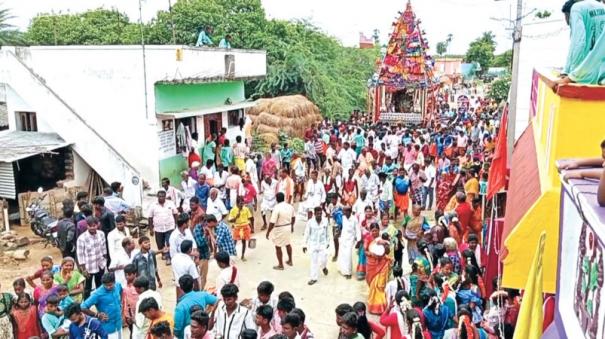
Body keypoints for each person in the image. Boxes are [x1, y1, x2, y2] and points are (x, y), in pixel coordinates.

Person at [174, 275, 218, 339]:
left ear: (181, 288)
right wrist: (209, 311)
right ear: (193, 285)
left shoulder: (180, 306)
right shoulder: (203, 295)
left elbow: (177, 329)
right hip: (202, 332)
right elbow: (217, 301)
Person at [81, 272, 123, 338]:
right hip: (107, 328)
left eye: (110, 285)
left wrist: (120, 303)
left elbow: (121, 290)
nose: (108, 287)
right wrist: (97, 315)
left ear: (114, 282)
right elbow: (82, 307)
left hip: (119, 325)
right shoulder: (97, 294)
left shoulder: (117, 285)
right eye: (105, 285)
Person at [77, 216, 107, 299]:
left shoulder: (101, 234)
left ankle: (100, 303)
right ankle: (86, 306)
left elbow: (104, 248)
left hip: (100, 264)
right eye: (90, 226)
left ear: (97, 225)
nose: (93, 227)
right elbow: (80, 255)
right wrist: (83, 269)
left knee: (100, 286)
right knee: (87, 288)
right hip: (88, 267)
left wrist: (105, 260)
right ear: (87, 226)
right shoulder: (82, 238)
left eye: (94, 225)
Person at [365, 223, 391, 315]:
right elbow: (365, 250)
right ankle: (373, 305)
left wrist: (385, 243)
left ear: (379, 231)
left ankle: (380, 306)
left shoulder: (382, 239)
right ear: (370, 231)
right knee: (372, 283)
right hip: (371, 264)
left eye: (376, 230)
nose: (375, 232)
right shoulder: (368, 238)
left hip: (382, 263)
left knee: (380, 285)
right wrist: (372, 254)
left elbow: (387, 251)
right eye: (373, 231)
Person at [266, 192, 296, 270]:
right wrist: (292, 226)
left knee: (278, 246)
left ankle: (280, 265)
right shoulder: (290, 206)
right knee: (288, 244)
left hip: (280, 228)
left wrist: (268, 232)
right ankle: (290, 260)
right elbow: (293, 218)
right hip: (288, 226)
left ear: (276, 199)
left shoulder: (276, 208)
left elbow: (272, 222)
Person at [148, 190, 178, 265]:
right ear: (157, 197)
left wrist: (176, 224)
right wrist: (151, 229)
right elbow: (150, 218)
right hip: (158, 228)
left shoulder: (170, 203)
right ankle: (163, 254)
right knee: (160, 244)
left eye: (163, 196)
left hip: (169, 227)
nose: (161, 198)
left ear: (165, 196)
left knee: (169, 243)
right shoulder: (153, 205)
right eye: (160, 196)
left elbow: (175, 214)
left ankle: (168, 257)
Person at [303, 206, 330, 285]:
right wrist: (304, 244)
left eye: (320, 213)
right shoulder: (310, 222)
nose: (319, 215)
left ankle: (324, 267)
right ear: (314, 214)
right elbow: (307, 233)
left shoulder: (325, 221)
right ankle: (313, 278)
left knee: (323, 259)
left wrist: (328, 242)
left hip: (323, 244)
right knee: (314, 262)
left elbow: (327, 233)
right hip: (313, 244)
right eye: (317, 213)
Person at [338, 206, 361, 279]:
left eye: (345, 211)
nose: (343, 212)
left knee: (348, 256)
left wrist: (358, 240)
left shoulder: (354, 219)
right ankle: (343, 270)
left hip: (350, 240)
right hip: (343, 238)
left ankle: (348, 273)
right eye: (343, 211)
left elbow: (357, 230)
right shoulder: (343, 217)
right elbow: (341, 227)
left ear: (349, 212)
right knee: (342, 255)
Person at [228, 196, 253, 260]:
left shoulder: (246, 209)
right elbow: (230, 220)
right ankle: (232, 255)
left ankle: (242, 255)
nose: (242, 205)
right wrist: (236, 217)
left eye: (243, 203)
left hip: (245, 227)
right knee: (234, 242)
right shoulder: (233, 210)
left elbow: (249, 218)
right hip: (237, 227)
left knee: (244, 242)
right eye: (240, 203)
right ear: (237, 203)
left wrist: (251, 227)